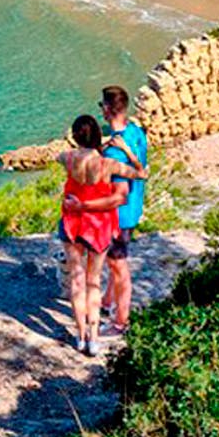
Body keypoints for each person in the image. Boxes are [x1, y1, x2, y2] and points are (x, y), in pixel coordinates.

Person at [57, 115, 146, 356]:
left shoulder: (67, 158)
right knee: (93, 282)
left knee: (77, 281)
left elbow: (58, 155)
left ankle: (81, 336)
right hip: (97, 226)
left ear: (75, 137)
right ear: (98, 134)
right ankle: (94, 340)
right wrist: (126, 149)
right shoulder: (108, 165)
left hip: (72, 222)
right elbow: (141, 174)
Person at [98, 85, 149, 337]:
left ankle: (120, 321)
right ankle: (106, 304)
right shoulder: (136, 132)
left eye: (101, 106)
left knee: (118, 266)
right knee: (113, 262)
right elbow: (140, 170)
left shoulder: (115, 151)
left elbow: (119, 193)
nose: (101, 111)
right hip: (133, 211)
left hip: (117, 217)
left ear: (107, 109)